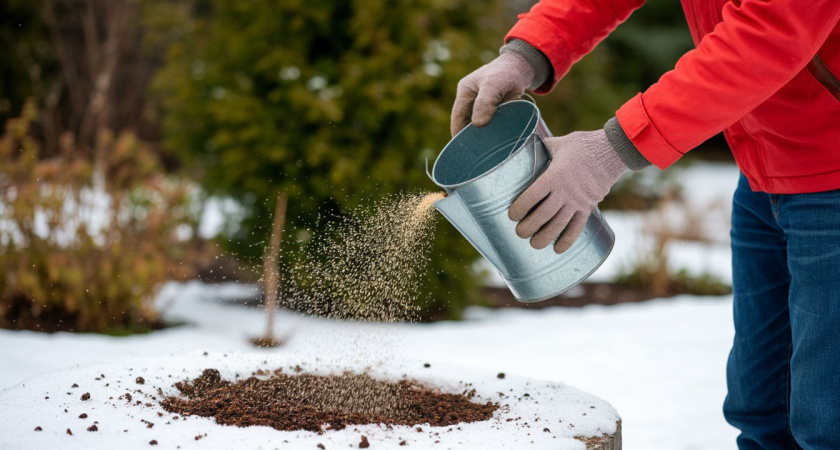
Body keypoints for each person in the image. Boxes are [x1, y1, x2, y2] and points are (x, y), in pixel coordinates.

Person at [450, 0, 840, 448]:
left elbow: (771, 32)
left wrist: (613, 149)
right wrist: (527, 53)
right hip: (764, 167)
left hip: (832, 173)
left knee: (827, 422)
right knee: (762, 412)